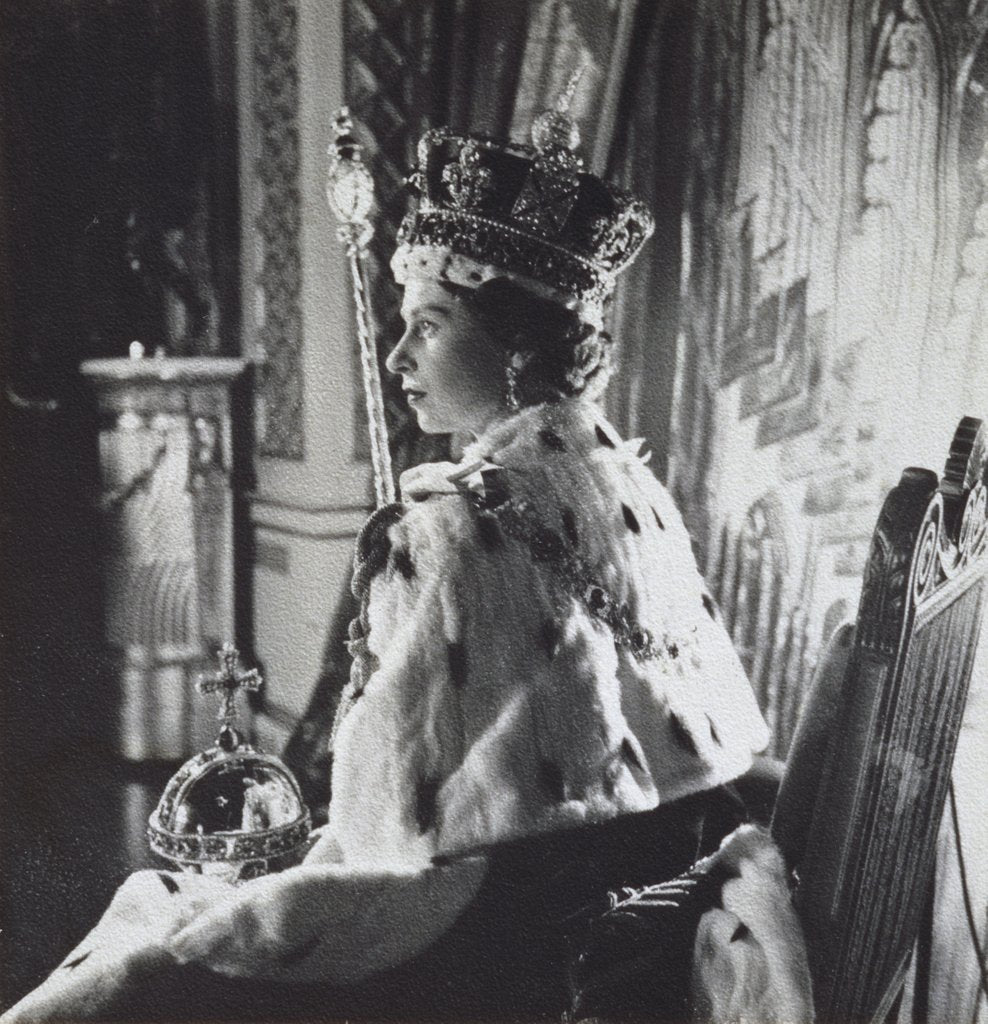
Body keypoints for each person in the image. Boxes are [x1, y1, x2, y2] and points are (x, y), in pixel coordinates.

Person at [2, 101, 811, 1024]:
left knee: (154, 932)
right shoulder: (630, 480)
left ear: (514, 345)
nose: (395, 357)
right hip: (629, 903)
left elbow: (384, 833)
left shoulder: (446, 526)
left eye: (427, 325)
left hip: (501, 951)